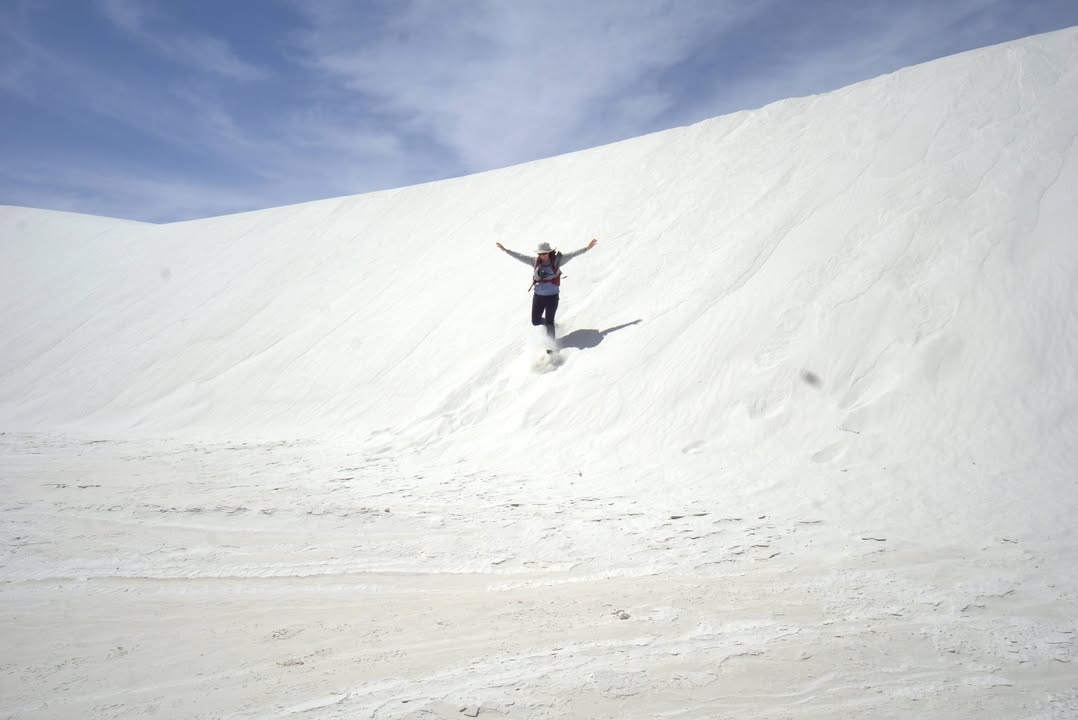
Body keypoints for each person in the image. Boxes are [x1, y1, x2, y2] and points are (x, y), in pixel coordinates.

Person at [495, 238, 598, 339]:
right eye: (540, 254)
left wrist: (587, 248)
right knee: (535, 321)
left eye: (544, 254)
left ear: (549, 252)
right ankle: (553, 326)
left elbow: (572, 254)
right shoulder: (534, 261)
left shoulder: (558, 260)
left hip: (552, 297)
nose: (542, 256)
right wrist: (506, 251)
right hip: (538, 296)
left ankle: (551, 348)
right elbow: (521, 257)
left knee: (549, 321)